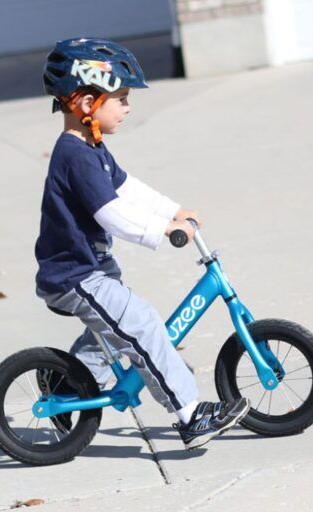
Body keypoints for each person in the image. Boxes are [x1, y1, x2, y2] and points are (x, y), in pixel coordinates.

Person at [34, 38, 250, 450]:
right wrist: (163, 229)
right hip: (75, 275)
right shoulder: (74, 156)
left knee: (118, 334)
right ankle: (190, 416)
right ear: (83, 102)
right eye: (121, 98)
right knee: (143, 326)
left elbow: (128, 188)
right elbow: (113, 214)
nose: (128, 107)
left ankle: (65, 382)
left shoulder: (92, 148)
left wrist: (175, 210)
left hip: (91, 269)